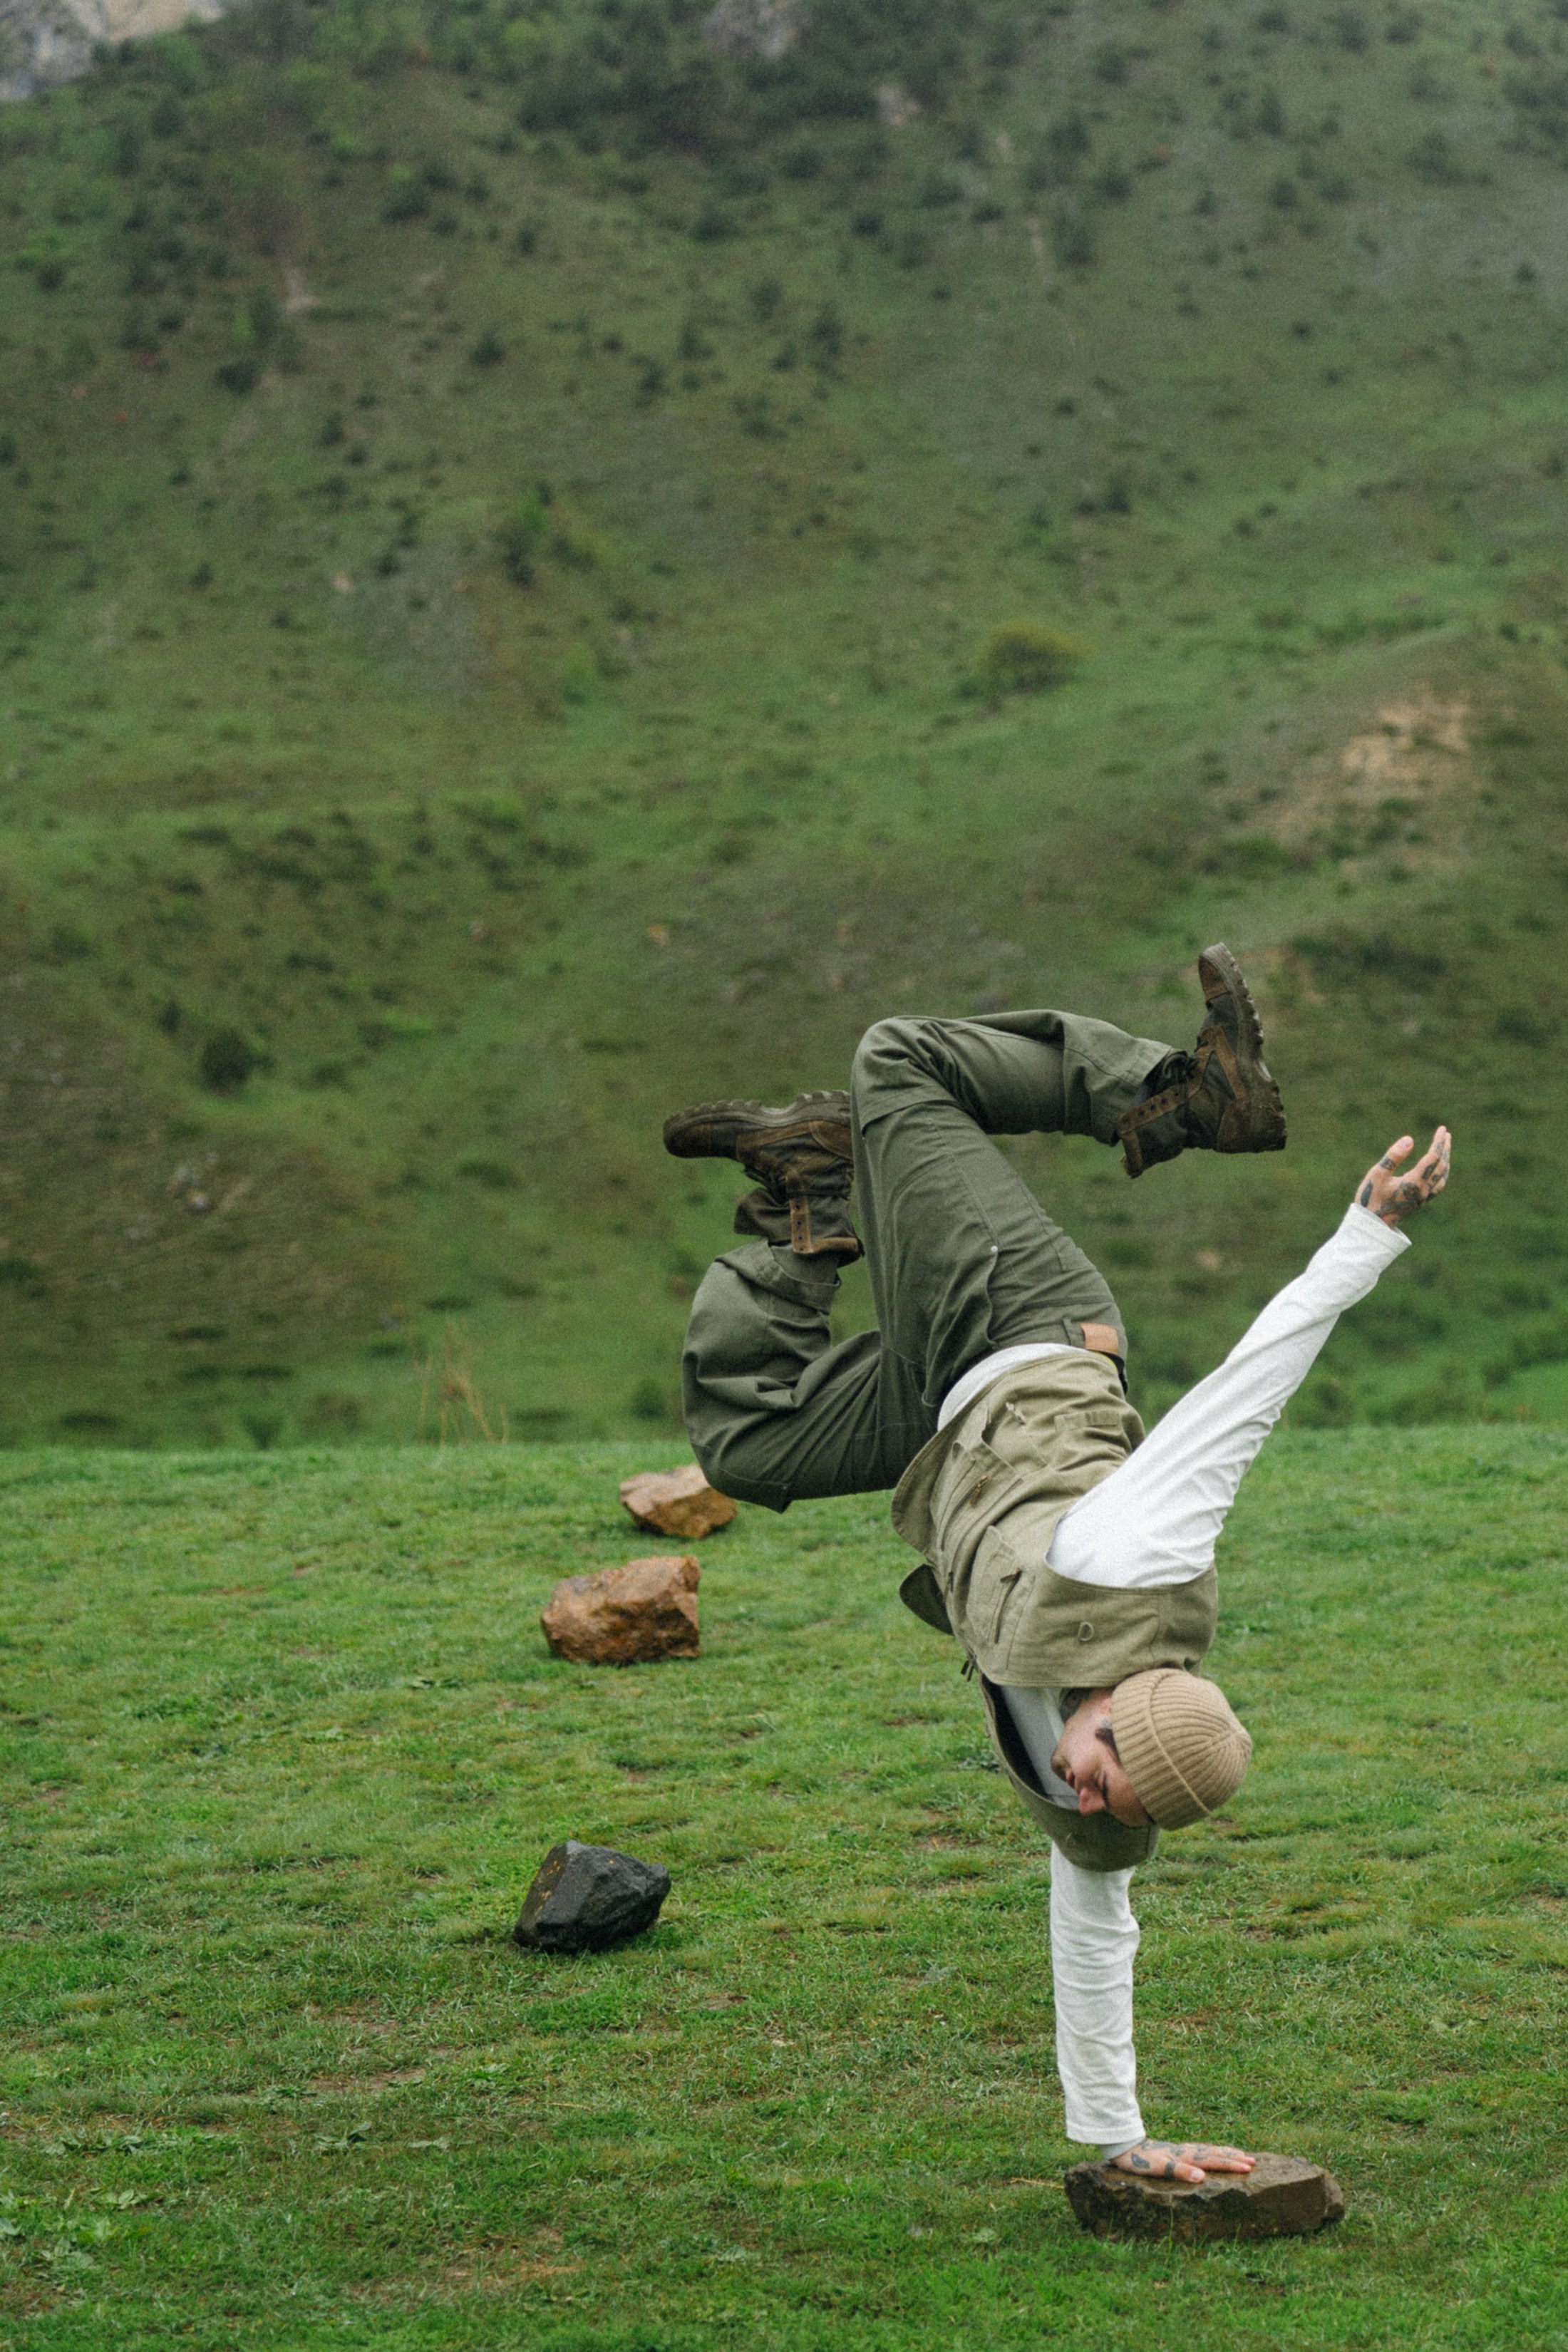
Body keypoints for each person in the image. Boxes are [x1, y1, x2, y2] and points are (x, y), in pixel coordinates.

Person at [663, 946, 1452, 2183]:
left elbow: (1097, 1930)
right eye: (1101, 1781)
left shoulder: (1093, 1788)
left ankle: (816, 1198)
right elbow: (1246, 1393)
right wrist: (1368, 1236)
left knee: (747, 1441)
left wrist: (1121, 2142)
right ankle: (1180, 1093)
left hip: (941, 1413)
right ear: (1122, 1713)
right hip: (1021, 1323)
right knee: (898, 1056)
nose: (1081, 1800)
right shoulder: (1135, 1553)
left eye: (1107, 1810)